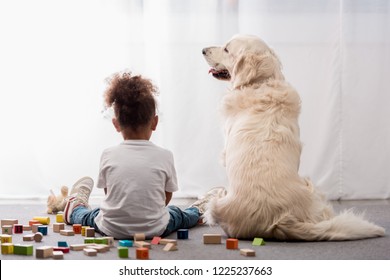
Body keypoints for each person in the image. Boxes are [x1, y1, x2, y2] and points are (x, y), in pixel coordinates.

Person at [62, 72, 220, 239]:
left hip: (111, 228)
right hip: (155, 230)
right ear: (155, 122)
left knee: (90, 215)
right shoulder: (165, 155)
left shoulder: (108, 155)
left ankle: (75, 207)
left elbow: (110, 195)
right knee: (177, 214)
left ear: (116, 124)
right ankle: (199, 209)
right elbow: (165, 198)